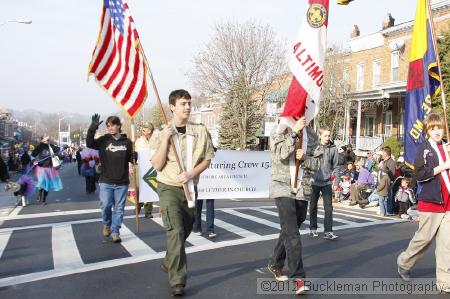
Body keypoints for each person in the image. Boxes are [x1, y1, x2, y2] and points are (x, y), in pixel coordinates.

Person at [151, 89, 214, 296]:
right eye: (183, 104)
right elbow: (158, 165)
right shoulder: (162, 133)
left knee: (186, 228)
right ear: (172, 107)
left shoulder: (200, 130)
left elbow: (207, 158)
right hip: (168, 186)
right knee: (175, 231)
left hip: (190, 188)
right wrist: (165, 139)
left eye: (189, 103)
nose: (187, 107)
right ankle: (178, 280)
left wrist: (191, 174)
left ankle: (169, 260)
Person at [397, 113, 450, 293]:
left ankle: (445, 282)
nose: (437, 131)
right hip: (431, 202)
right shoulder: (424, 148)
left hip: (448, 203)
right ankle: (404, 263)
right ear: (427, 130)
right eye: (433, 128)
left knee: (446, 245)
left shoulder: (447, 147)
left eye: (440, 127)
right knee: (424, 239)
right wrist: (444, 165)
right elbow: (420, 174)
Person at [266, 116, 319, 295]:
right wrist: (294, 132)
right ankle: (299, 277)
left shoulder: (312, 135)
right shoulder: (278, 130)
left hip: (302, 188)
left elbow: (318, 164)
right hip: (282, 186)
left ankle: (275, 262)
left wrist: (305, 158)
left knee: (291, 227)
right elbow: (280, 153)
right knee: (292, 232)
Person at [87, 114, 133, 243]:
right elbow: (89, 143)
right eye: (108, 125)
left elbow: (132, 159)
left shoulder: (128, 142)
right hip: (106, 180)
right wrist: (93, 127)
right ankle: (107, 224)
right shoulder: (103, 140)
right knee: (106, 205)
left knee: (119, 208)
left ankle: (115, 231)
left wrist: (135, 156)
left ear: (118, 125)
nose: (110, 127)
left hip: (122, 182)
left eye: (112, 125)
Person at [309, 126, 339, 240]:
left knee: (329, 208)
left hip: (327, 182)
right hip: (314, 181)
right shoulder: (314, 147)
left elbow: (336, 166)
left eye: (329, 135)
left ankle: (328, 231)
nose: (327, 137)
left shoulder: (333, 149)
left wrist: (336, 182)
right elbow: (307, 162)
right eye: (325, 135)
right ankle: (313, 228)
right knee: (313, 207)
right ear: (320, 135)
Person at [31, 135, 63, 205]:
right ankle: (39, 194)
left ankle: (44, 200)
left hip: (49, 168)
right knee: (42, 183)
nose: (47, 141)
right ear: (42, 140)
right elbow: (33, 154)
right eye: (46, 140)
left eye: (48, 140)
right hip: (41, 167)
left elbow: (58, 149)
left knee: (47, 185)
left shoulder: (50, 146)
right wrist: (34, 160)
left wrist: (64, 147)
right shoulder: (39, 147)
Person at [135, 122, 156, 218]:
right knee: (139, 189)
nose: (143, 130)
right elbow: (135, 155)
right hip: (140, 168)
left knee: (150, 188)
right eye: (142, 128)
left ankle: (148, 211)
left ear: (150, 130)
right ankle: (138, 205)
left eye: (145, 128)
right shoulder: (139, 141)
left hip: (152, 168)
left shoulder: (156, 140)